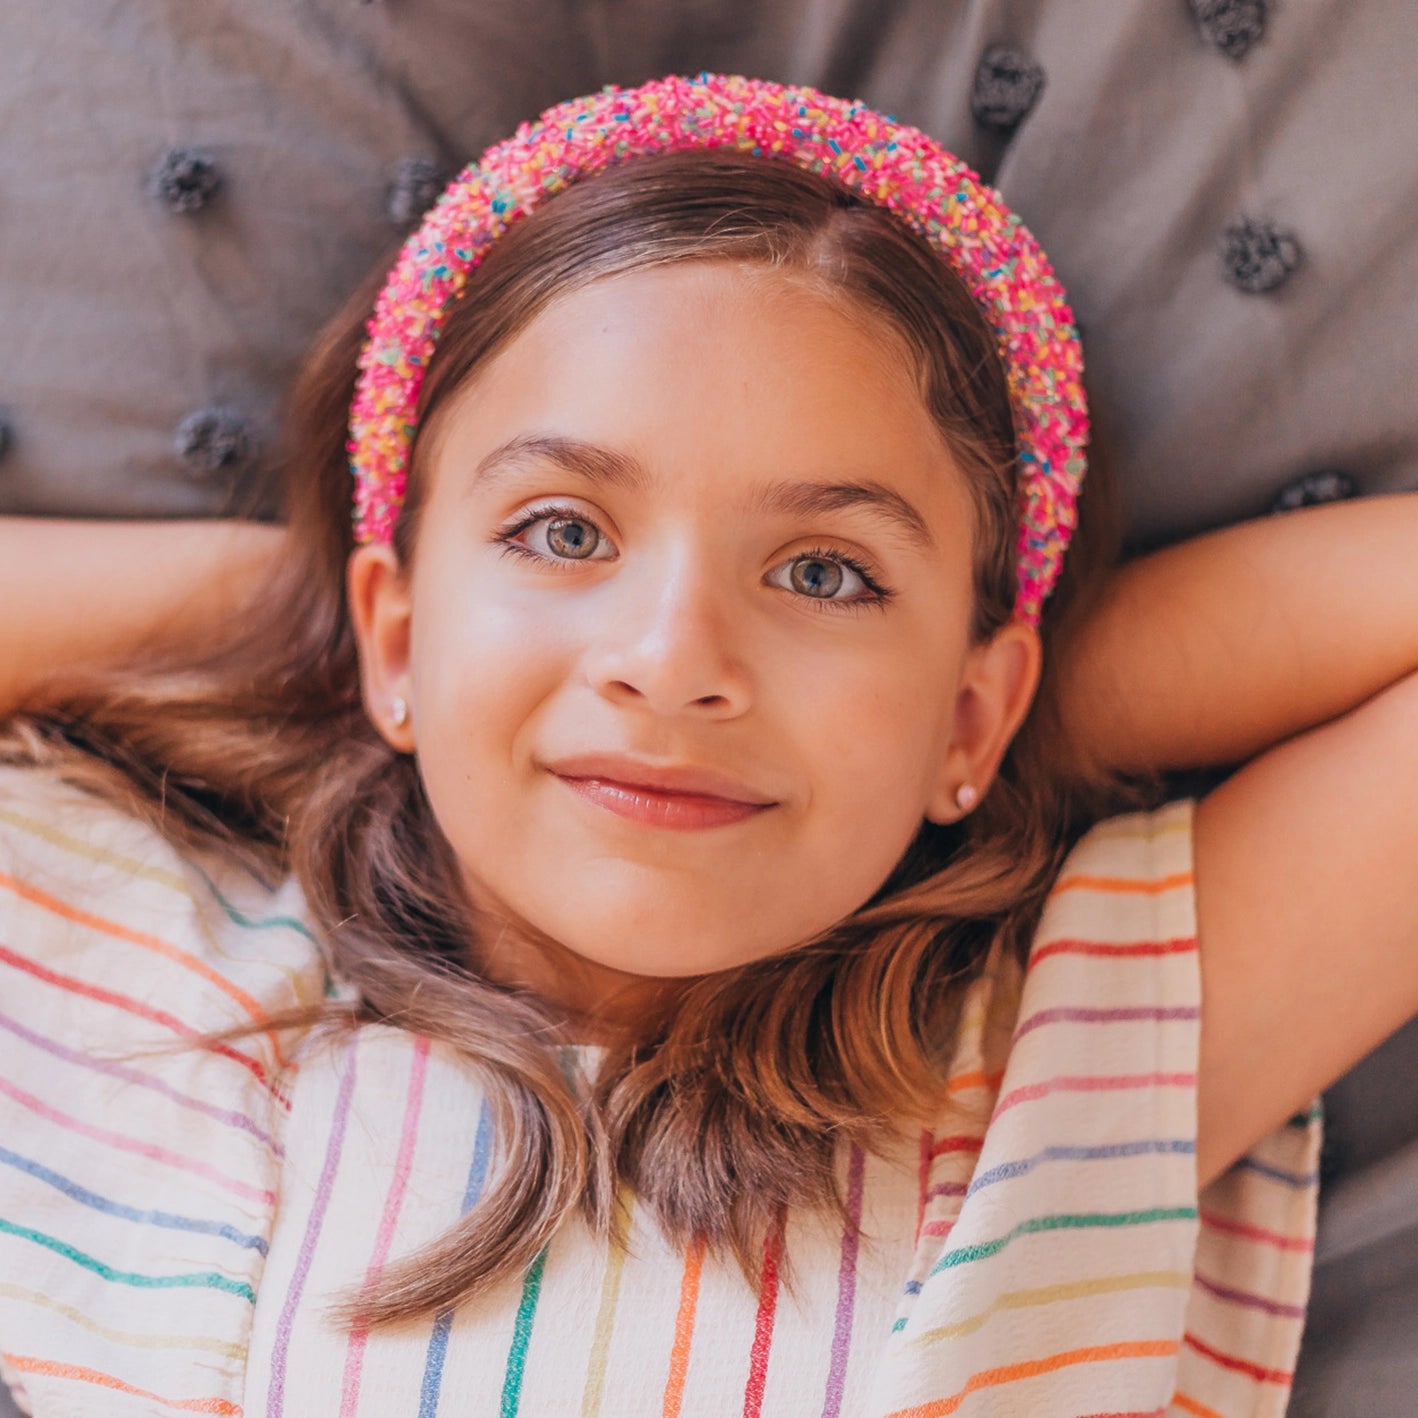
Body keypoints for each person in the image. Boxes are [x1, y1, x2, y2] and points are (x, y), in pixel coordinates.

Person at [0, 74, 1414, 1417]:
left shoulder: (1053, 1088)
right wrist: (330, 625)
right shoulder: (141, 961)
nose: (673, 662)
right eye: (562, 532)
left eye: (822, 575)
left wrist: (956, 726)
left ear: (980, 705)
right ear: (392, 625)